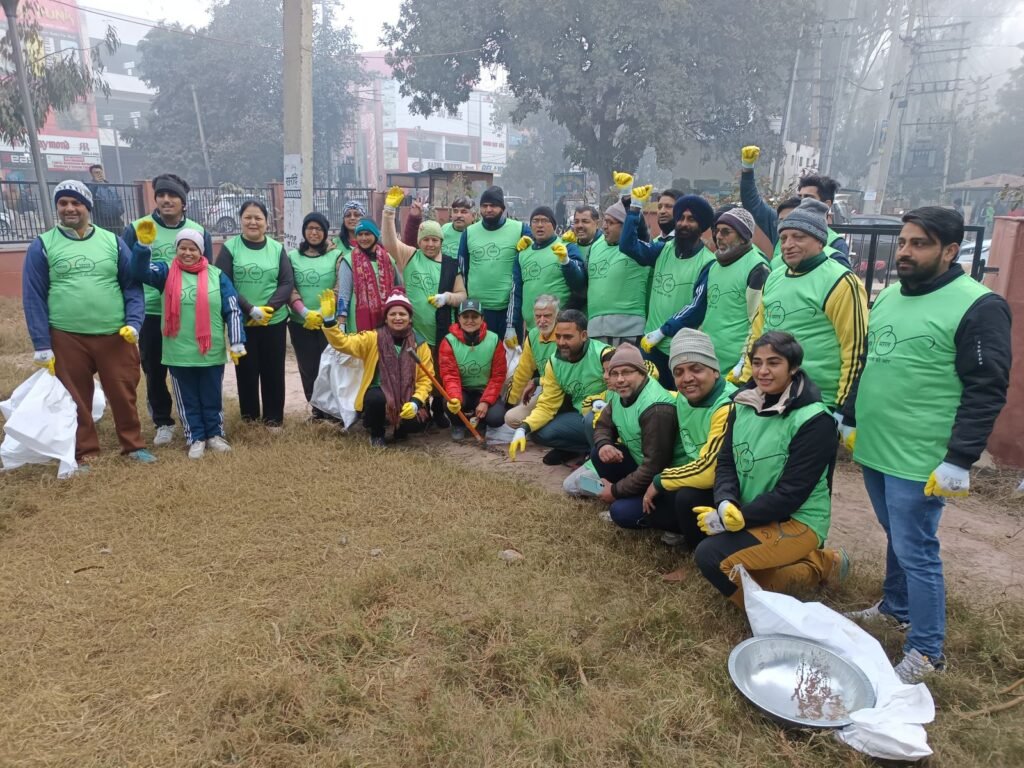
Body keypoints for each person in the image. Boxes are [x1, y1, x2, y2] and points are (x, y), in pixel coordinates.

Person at [840, 207, 1011, 683]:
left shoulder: (978, 306)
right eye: (903, 242)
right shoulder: (891, 296)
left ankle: (927, 650)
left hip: (922, 456)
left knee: (916, 547)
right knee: (895, 533)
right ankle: (896, 607)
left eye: (919, 244)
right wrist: (851, 415)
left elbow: (987, 387)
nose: (906, 252)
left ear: (950, 251)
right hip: (876, 444)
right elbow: (869, 362)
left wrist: (960, 458)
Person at [693, 332, 849, 608]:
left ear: (793, 367)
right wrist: (725, 502)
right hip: (753, 513)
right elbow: (726, 461)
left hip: (797, 520)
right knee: (749, 574)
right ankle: (816, 564)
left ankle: (817, 569)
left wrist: (741, 517)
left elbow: (792, 494)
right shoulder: (742, 405)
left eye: (774, 363)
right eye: (757, 362)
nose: (763, 371)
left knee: (711, 557)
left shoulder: (814, 420)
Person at [22, 179, 154, 466]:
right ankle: (85, 452)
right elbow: (33, 296)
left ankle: (133, 446)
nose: (69, 208)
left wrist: (134, 321)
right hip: (67, 336)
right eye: (63, 203)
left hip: (115, 334)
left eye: (76, 202)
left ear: (87, 207)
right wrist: (42, 344)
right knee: (76, 395)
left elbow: (132, 285)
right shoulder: (43, 245)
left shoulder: (113, 241)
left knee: (123, 390)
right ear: (57, 207)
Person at [741, 198, 868, 411]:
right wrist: (746, 383)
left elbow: (855, 350)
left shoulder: (841, 281)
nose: (788, 245)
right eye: (784, 238)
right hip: (771, 397)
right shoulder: (774, 278)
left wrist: (843, 408)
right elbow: (756, 334)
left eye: (798, 237)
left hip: (817, 402)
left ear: (820, 241)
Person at [132, 228, 246, 458]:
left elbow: (232, 307)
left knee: (211, 395)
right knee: (187, 398)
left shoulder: (217, 275)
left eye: (192, 248)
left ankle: (214, 434)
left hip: (210, 349)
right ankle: (195, 436)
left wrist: (236, 341)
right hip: (179, 351)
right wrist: (143, 248)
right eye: (182, 248)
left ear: (201, 251)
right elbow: (139, 271)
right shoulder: (165, 272)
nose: (187, 253)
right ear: (176, 250)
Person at [122, 173, 213, 447]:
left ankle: (197, 420)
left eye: (172, 196)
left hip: (188, 311)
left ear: (184, 202)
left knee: (190, 366)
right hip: (152, 311)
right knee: (155, 369)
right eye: (161, 195)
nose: (166, 200)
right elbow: (126, 272)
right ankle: (163, 421)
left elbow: (206, 271)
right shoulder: (139, 227)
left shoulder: (199, 230)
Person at [644, 330, 736, 572]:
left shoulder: (727, 406)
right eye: (679, 372)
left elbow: (709, 471)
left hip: (730, 491)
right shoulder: (684, 398)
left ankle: (703, 554)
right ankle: (687, 531)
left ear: (715, 370)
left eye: (696, 368)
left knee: (686, 497)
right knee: (641, 513)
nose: (687, 378)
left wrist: (659, 481)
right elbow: (658, 394)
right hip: (696, 481)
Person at [645, 207, 770, 376]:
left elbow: (758, 321)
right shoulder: (716, 265)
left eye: (726, 232)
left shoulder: (757, 268)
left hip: (735, 366)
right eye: (717, 231)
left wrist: (745, 362)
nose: (718, 236)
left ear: (743, 236)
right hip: (710, 359)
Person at [382, 188, 467, 426]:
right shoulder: (410, 256)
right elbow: (388, 242)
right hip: (413, 331)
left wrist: (447, 297)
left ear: (441, 241)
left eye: (435, 240)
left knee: (440, 372)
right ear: (420, 241)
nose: (430, 244)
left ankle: (438, 410)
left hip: (441, 330)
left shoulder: (450, 265)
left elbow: (463, 295)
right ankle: (420, 411)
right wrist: (389, 211)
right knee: (415, 373)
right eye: (426, 240)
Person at [317, 288, 433, 447]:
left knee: (415, 425)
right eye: (392, 314)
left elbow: (426, 379)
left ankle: (401, 428)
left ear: (410, 318)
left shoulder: (420, 344)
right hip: (379, 390)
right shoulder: (373, 338)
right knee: (375, 400)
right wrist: (330, 321)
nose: (397, 318)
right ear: (386, 319)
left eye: (402, 314)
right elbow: (343, 343)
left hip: (408, 393)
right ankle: (377, 433)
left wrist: (415, 402)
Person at [622, 189, 716, 383]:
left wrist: (663, 331)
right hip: (650, 346)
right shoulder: (664, 249)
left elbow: (696, 308)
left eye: (691, 219)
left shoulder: (708, 262)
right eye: (681, 218)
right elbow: (628, 246)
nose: (684, 223)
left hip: (679, 350)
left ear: (701, 226)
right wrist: (634, 210)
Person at [214, 200, 294, 429]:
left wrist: (269, 308)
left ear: (266, 223)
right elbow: (223, 281)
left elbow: (287, 282)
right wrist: (250, 309)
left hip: (273, 320)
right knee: (247, 370)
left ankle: (274, 419)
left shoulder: (277, 249)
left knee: (273, 370)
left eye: (258, 218)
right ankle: (249, 418)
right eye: (248, 217)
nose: (253, 222)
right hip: (242, 321)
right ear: (240, 220)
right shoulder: (230, 248)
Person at [590, 343, 684, 528]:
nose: (620, 380)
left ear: (642, 373)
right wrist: (604, 445)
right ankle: (635, 499)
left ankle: (674, 525)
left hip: (668, 482)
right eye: (614, 373)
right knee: (599, 453)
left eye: (627, 372)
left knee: (620, 512)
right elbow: (603, 425)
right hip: (643, 467)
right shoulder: (619, 394)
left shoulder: (656, 409)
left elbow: (654, 467)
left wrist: (615, 491)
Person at [508, 309, 609, 465]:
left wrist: (601, 400)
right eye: (559, 336)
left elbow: (634, 380)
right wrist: (523, 429)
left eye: (568, 337)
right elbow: (547, 405)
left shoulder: (604, 354)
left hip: (609, 416)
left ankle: (598, 459)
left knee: (592, 418)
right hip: (580, 414)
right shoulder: (554, 362)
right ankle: (580, 450)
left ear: (583, 336)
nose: (561, 342)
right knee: (539, 432)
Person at [739, 146, 850, 265]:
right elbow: (753, 203)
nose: (801, 203)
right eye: (800, 197)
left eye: (808, 198)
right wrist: (747, 168)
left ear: (827, 204)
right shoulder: (783, 226)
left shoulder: (835, 244)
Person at [287, 212, 343, 420]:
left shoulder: (335, 256)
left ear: (325, 232)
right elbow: (289, 286)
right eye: (310, 228)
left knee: (329, 367)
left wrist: (323, 312)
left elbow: (339, 287)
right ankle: (317, 410)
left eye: (319, 229)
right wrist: (303, 311)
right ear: (304, 231)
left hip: (328, 324)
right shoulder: (293, 256)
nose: (314, 232)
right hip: (300, 323)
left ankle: (333, 411)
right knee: (308, 367)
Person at [457, 185, 530, 343]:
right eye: (484, 206)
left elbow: (533, 256)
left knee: (509, 362)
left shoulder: (520, 229)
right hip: (476, 309)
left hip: (508, 311)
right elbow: (462, 270)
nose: (488, 209)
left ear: (502, 208)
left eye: (493, 206)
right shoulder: (469, 233)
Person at [438, 299, 508, 440]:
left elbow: (498, 375)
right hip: (461, 391)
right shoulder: (448, 341)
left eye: (475, 317)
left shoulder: (494, 340)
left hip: (483, 391)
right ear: (459, 318)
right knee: (449, 401)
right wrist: (456, 398)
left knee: (497, 418)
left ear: (482, 318)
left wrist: (486, 402)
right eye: (465, 316)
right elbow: (449, 375)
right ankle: (458, 424)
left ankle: (480, 421)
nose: (470, 320)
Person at [586, 201, 650, 346]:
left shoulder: (637, 246)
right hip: (596, 330)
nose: (604, 226)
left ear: (625, 226)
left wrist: (631, 204)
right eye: (604, 221)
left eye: (610, 222)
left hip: (628, 330)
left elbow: (641, 229)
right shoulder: (596, 246)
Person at [514, 206, 586, 332]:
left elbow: (580, 283)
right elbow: (516, 292)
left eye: (545, 221)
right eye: (535, 221)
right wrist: (512, 325)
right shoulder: (522, 254)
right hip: (532, 330)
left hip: (560, 328)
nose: (540, 225)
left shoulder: (567, 247)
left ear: (553, 225)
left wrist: (566, 261)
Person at [336, 217, 403, 333]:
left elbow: (398, 288)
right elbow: (343, 296)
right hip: (359, 324)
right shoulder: (348, 261)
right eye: (360, 234)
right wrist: (341, 323)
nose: (363, 238)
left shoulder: (388, 259)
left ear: (376, 235)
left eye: (367, 234)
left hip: (387, 322)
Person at [505, 295, 560, 428]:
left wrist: (536, 382)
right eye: (538, 316)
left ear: (557, 315)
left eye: (547, 315)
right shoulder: (533, 335)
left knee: (544, 426)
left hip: (564, 395)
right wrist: (510, 401)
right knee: (511, 418)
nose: (542, 320)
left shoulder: (564, 334)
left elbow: (564, 377)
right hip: (546, 394)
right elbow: (523, 371)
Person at [86, 164, 125, 233]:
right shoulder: (91, 186)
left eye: (100, 172)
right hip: (102, 222)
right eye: (96, 173)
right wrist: (95, 183)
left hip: (116, 220)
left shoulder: (111, 186)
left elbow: (118, 199)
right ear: (92, 174)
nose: (99, 174)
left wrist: (120, 209)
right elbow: (89, 196)